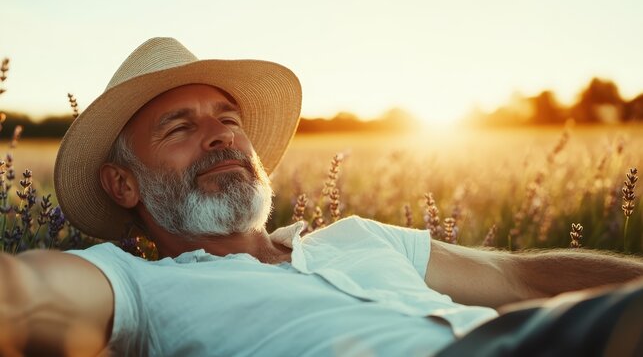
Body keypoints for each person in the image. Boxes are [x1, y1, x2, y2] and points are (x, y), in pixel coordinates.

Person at [1, 37, 642, 357]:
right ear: (123, 184)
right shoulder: (137, 284)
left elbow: (519, 277)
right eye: (180, 127)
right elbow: (31, 295)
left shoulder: (360, 237)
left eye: (229, 120)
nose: (221, 137)